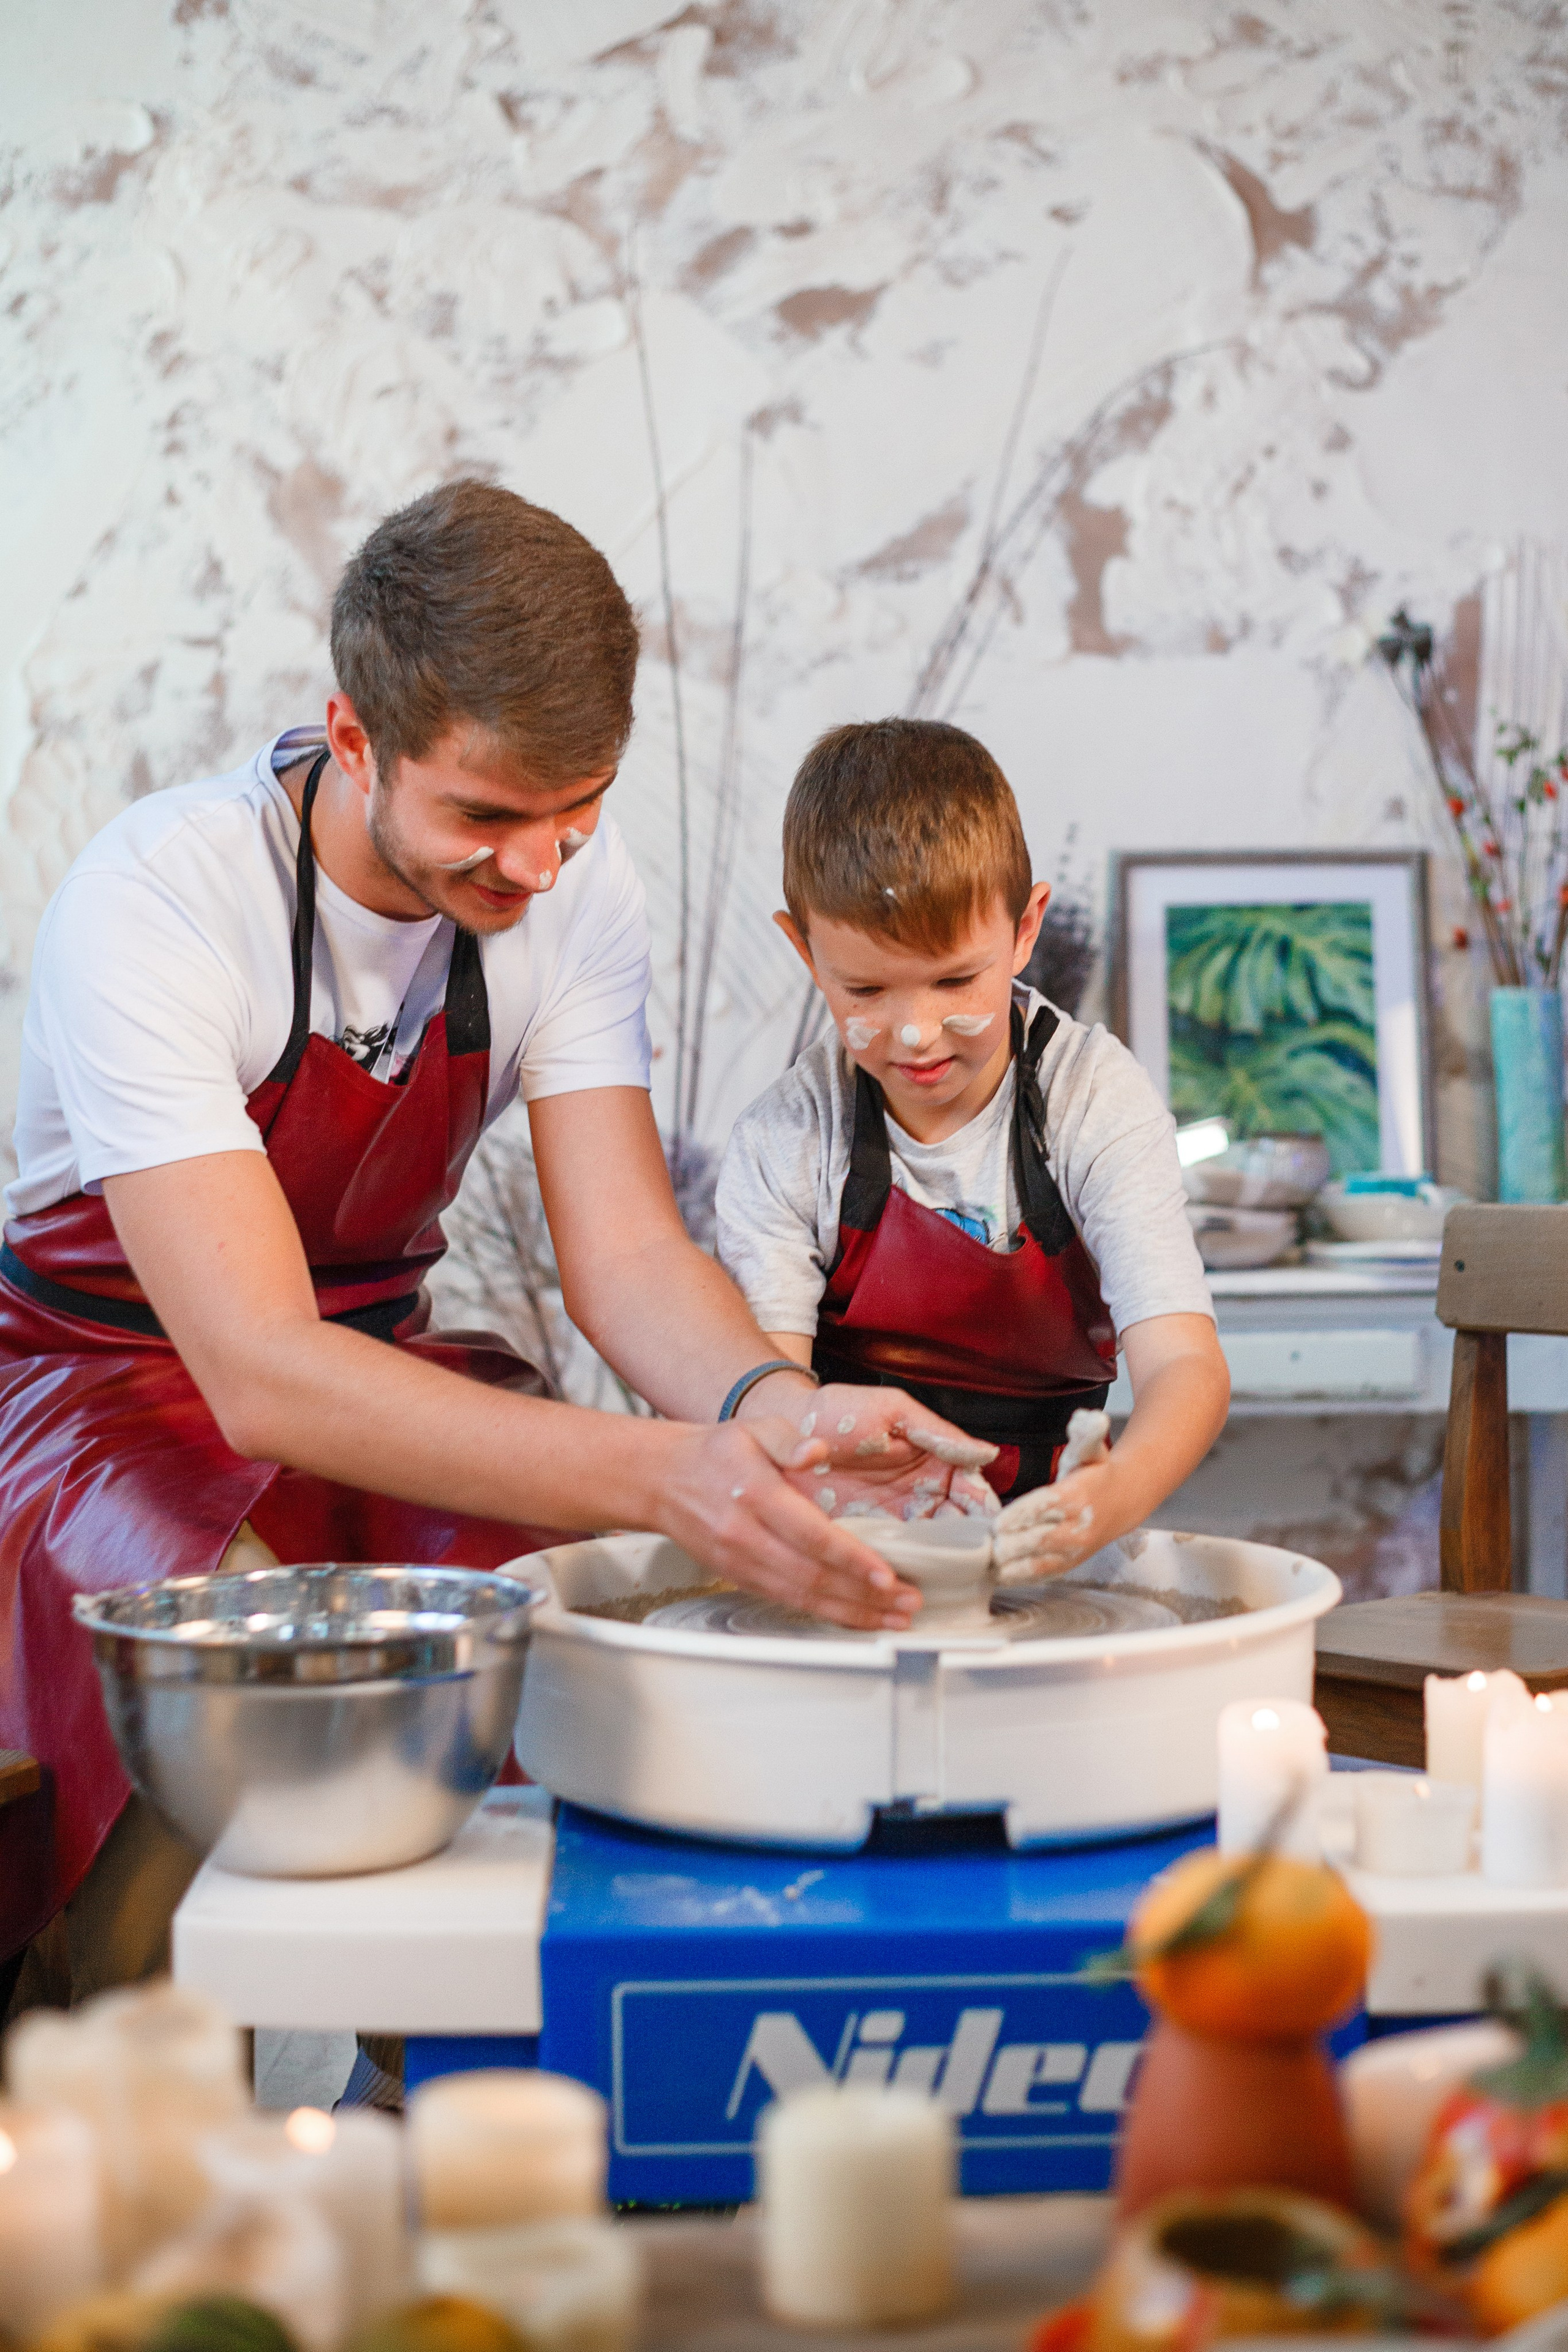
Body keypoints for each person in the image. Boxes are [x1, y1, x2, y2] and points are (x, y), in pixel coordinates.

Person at [0, 487, 999, 2013]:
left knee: (574, 1619)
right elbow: (259, 1374)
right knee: (236, 1650)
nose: (536, 866)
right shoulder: (159, 899)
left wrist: (771, 1416)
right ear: (353, 739)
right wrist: (662, 1469)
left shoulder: (581, 895)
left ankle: (462, 2093)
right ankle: (131, 2104)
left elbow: (626, 1258)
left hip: (381, 1363)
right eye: (485, 815)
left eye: (576, 808)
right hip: (98, 1389)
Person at [715, 717, 1231, 1567]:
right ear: (804, 949)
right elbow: (767, 1400)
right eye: (867, 990)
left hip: (1058, 1537)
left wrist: (1117, 1494)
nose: (916, 1034)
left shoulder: (1091, 1100)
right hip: (855, 1544)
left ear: (1026, 930)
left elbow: (1185, 1365)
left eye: (956, 979)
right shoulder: (789, 1138)